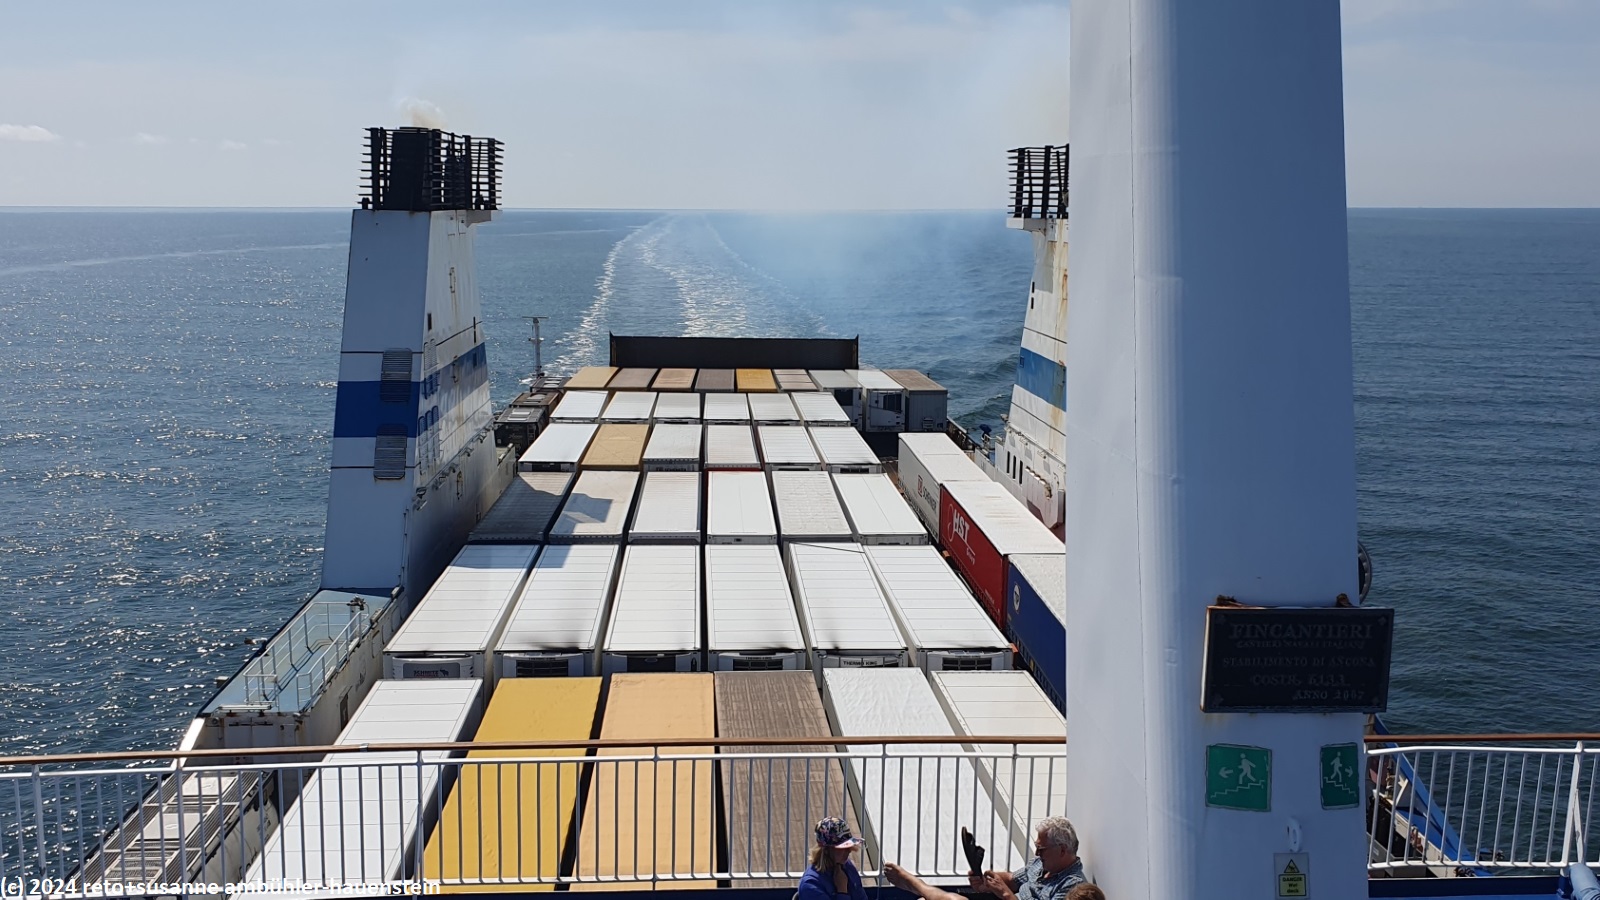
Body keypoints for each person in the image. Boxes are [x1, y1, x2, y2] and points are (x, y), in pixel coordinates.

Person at [884, 817, 1086, 900]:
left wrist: (1004, 893)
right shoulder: (1041, 865)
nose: (1036, 854)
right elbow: (1013, 879)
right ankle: (919, 889)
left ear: (1062, 850)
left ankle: (916, 884)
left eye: (1041, 849)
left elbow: (1008, 890)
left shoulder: (1072, 887)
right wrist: (988, 881)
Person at [797, 816, 868, 900]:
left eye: (849, 845)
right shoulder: (811, 884)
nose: (849, 850)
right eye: (843, 847)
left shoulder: (847, 866)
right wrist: (842, 890)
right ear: (826, 850)